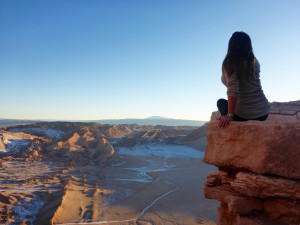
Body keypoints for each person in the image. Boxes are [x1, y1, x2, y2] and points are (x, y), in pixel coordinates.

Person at [218, 31, 270, 128]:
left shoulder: (230, 63)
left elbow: (233, 91)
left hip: (244, 115)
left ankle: (227, 119)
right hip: (263, 112)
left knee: (220, 102)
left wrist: (230, 116)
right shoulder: (254, 61)